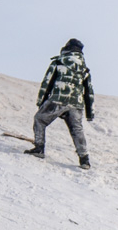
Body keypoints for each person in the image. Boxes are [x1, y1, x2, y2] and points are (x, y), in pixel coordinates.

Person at [24, 39, 95, 170]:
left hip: (58, 100)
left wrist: (41, 102)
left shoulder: (59, 62)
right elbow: (89, 92)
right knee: (77, 130)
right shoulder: (84, 70)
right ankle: (84, 160)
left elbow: (47, 83)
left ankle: (39, 148)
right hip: (76, 104)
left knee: (39, 119)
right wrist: (90, 113)